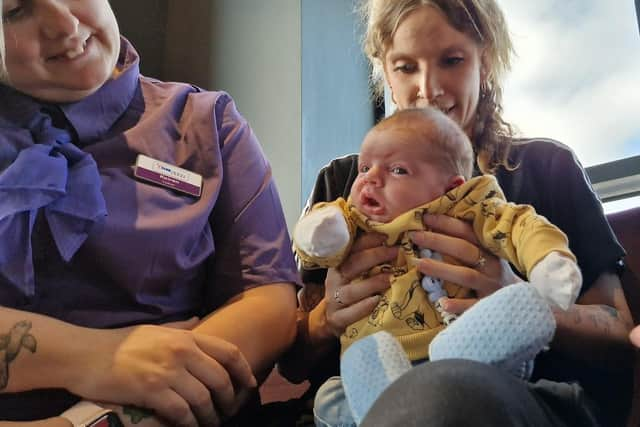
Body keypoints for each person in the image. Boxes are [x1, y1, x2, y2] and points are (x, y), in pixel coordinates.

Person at [278, 0, 634, 426]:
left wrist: (519, 299)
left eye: (451, 60)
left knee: (441, 399)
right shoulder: (346, 183)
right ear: (387, 75)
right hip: (351, 406)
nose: (428, 88)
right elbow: (293, 364)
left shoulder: (547, 168)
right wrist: (325, 319)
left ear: (484, 65)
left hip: (512, 400)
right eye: (406, 67)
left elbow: (618, 334)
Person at [0, 1, 299, 426]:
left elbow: (268, 306)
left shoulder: (209, 123)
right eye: (14, 11)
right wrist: (99, 359)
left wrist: (94, 420)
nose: (64, 24)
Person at [293, 106, 578, 425]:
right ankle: (384, 405)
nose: (371, 178)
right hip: (378, 366)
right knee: (331, 395)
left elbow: (519, 225)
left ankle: (492, 334)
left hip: (459, 358)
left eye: (398, 170)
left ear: (450, 187)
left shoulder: (471, 205)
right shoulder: (352, 215)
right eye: (364, 167)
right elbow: (319, 242)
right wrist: (323, 234)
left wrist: (545, 262)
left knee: (456, 380)